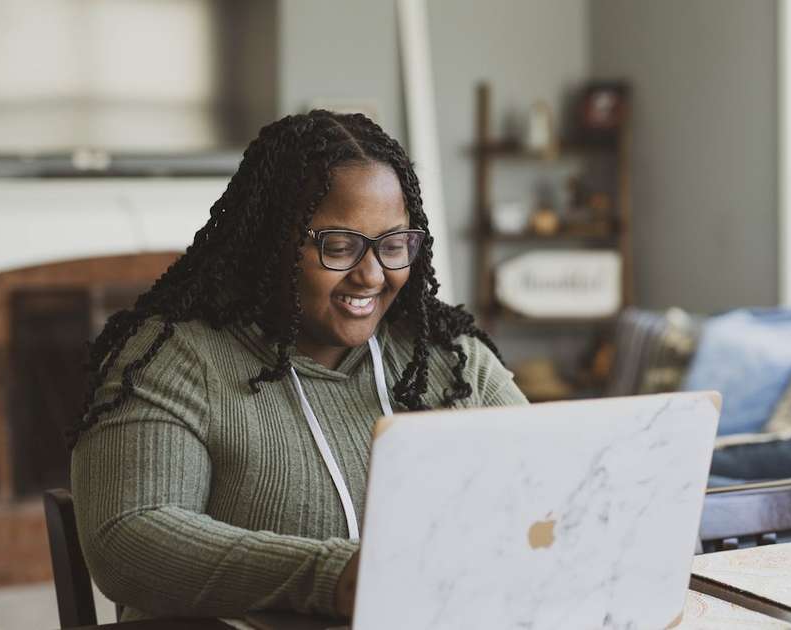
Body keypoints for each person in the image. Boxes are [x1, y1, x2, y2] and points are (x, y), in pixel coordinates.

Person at [69, 110, 528, 622]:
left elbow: (549, 494)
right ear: (272, 244)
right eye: (339, 245)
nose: (371, 275)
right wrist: (332, 578)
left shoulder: (451, 357)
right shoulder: (173, 357)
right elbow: (129, 536)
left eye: (394, 245)